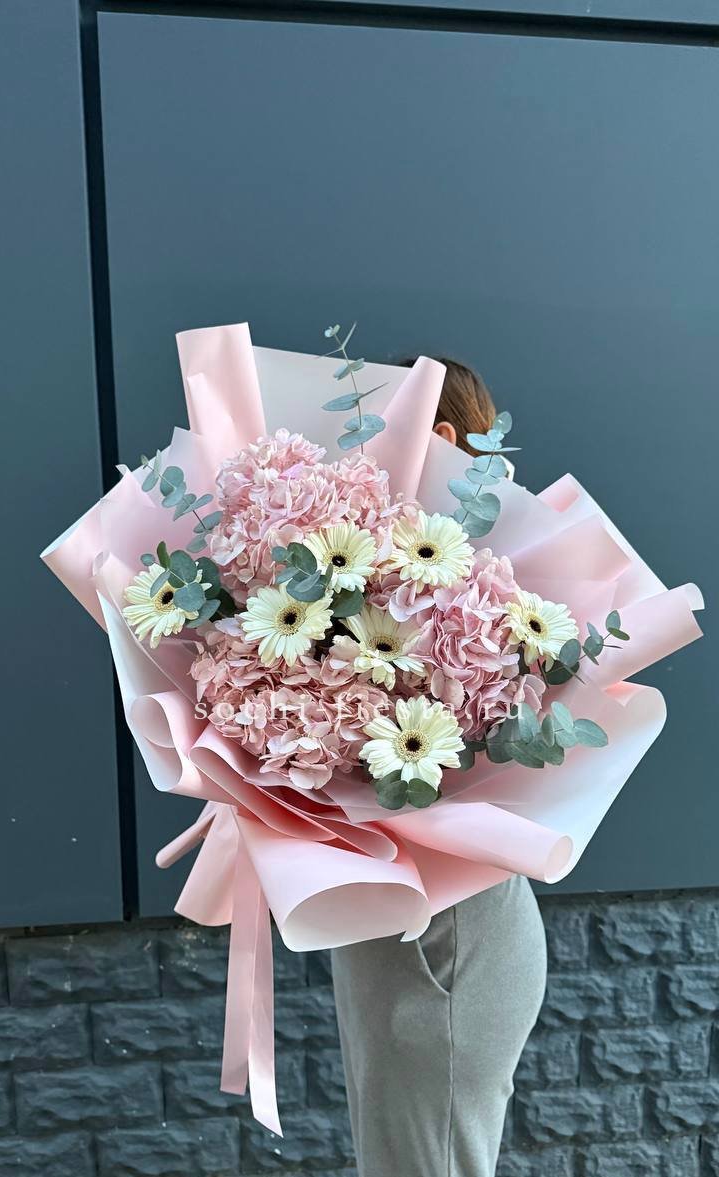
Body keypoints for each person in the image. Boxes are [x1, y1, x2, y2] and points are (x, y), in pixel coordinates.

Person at [330, 358, 547, 1177]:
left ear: (441, 437)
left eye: (371, 433)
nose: (349, 457)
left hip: (444, 947)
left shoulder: (472, 595)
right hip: (410, 930)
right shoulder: (382, 578)